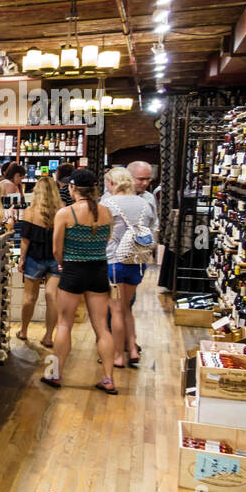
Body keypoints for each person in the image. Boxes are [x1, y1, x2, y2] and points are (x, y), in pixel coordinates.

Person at [46, 169, 117, 394]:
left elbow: (57, 248)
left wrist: (62, 263)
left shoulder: (65, 213)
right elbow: (105, 241)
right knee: (101, 327)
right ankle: (108, 378)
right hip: (98, 270)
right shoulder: (106, 212)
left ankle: (56, 374)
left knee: (64, 323)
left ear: (73, 188)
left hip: (73, 269)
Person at [102, 166, 157, 369]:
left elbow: (101, 232)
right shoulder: (145, 204)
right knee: (127, 307)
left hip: (115, 260)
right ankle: (132, 349)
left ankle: (117, 355)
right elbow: (152, 229)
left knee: (115, 309)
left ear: (112, 183)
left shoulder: (108, 203)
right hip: (137, 261)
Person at [16, 176, 62, 348]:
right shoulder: (62, 210)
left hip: (34, 257)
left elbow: (25, 239)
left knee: (29, 297)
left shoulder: (30, 211)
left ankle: (24, 331)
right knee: (52, 297)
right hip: (56, 258)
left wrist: (21, 259)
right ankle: (49, 336)